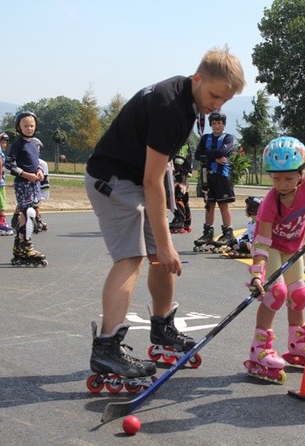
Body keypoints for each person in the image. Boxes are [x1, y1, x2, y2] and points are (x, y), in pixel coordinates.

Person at [83, 47, 245, 389]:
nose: (217, 106)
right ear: (197, 78)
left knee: (158, 257)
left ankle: (162, 328)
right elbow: (151, 181)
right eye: (215, 96)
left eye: (224, 101)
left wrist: (164, 247)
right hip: (113, 179)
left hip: (137, 179)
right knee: (131, 258)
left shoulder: (188, 101)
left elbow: (156, 176)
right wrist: (169, 244)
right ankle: (107, 347)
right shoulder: (170, 106)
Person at [243, 136, 305, 384]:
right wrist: (257, 274)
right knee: (276, 293)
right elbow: (261, 243)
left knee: (299, 295)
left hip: (293, 247)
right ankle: (259, 349)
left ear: (304, 172)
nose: (282, 184)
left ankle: (299, 344)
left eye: (289, 178)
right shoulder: (269, 204)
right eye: (276, 178)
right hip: (272, 249)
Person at [6, 111, 47, 266]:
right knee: (26, 213)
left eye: (32, 125)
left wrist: (40, 171)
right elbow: (9, 164)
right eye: (25, 126)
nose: (29, 128)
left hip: (34, 183)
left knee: (30, 212)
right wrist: (25, 174)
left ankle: (18, 246)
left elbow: (37, 162)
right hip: (23, 183)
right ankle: (26, 246)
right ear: (19, 127)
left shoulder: (35, 144)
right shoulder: (18, 145)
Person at [193, 111, 237, 250]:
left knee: (223, 204)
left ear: (223, 125)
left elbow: (222, 152)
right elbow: (197, 155)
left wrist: (208, 155)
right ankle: (208, 233)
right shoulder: (205, 138)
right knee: (209, 204)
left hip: (221, 176)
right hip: (207, 175)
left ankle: (228, 233)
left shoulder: (228, 138)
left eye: (219, 123)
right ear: (211, 124)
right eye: (214, 123)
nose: (216, 126)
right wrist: (214, 157)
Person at [168, 143, 193, 234]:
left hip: (180, 173)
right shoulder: (184, 140)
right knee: (184, 199)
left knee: (177, 197)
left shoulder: (182, 142)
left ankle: (180, 220)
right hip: (184, 173)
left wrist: (176, 171)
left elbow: (179, 158)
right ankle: (187, 222)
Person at [0, 133, 14, 235]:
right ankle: (0, 223)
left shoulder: (1, 154)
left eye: (5, 143)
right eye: (2, 142)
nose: (4, 145)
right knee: (1, 202)